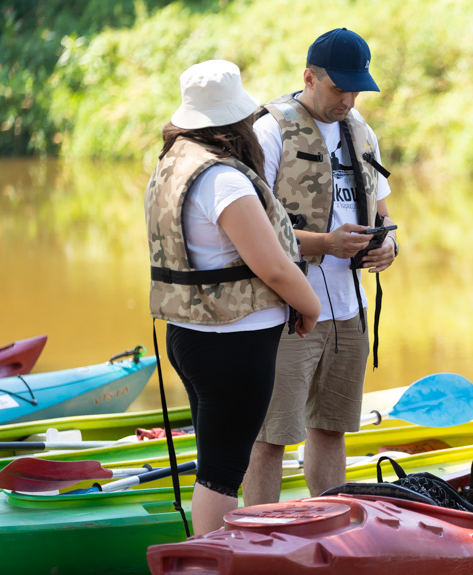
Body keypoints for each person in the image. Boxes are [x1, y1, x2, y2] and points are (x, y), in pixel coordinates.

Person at [144, 60, 321, 534]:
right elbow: (275, 267)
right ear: (236, 120)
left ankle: (212, 557)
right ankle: (211, 561)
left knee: (214, 462)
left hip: (189, 335)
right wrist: (310, 306)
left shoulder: (170, 167)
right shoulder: (224, 180)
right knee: (222, 473)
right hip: (232, 343)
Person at [243, 28, 397, 503]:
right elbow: (249, 234)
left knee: (331, 429)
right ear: (309, 77)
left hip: (349, 311)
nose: (348, 100)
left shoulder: (361, 131)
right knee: (269, 437)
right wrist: (324, 244)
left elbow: (384, 214)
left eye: (357, 89)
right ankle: (260, 541)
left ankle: (331, 533)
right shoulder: (269, 130)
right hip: (286, 313)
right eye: (339, 88)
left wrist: (389, 247)